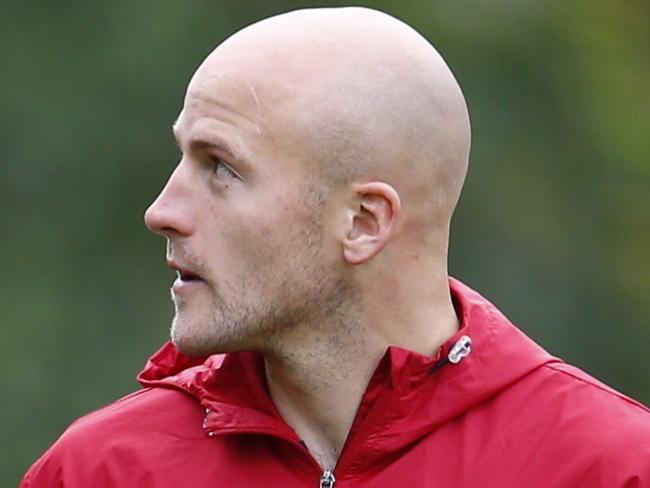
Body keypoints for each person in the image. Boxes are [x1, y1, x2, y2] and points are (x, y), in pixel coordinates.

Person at [21, 6, 649, 487]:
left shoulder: (611, 468)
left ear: (364, 222)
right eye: (183, 156)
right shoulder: (101, 470)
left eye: (221, 168)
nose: (162, 212)